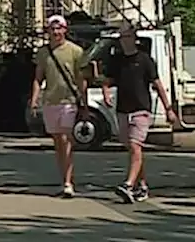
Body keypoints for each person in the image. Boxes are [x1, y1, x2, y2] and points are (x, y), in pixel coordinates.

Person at [102, 25, 178, 203]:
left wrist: (168, 109)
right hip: (122, 109)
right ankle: (142, 185)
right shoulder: (118, 60)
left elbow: (157, 84)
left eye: (126, 36)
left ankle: (128, 184)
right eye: (121, 37)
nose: (122, 40)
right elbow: (107, 80)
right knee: (132, 148)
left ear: (133, 38)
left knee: (135, 146)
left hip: (141, 108)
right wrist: (106, 92)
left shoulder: (144, 60)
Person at [29, 14, 88, 197]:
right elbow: (39, 77)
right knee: (57, 141)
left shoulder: (75, 51)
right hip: (50, 101)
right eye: (52, 29)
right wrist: (34, 99)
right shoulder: (43, 53)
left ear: (65, 30)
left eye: (59, 28)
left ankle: (68, 182)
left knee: (65, 139)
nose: (56, 32)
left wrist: (83, 101)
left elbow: (81, 78)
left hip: (69, 101)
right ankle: (64, 178)